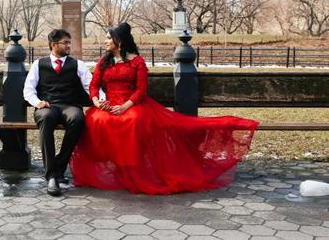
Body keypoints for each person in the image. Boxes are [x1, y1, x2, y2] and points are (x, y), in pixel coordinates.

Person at [69, 23, 259, 195]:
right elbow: (94, 86)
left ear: (119, 40)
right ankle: (116, 166)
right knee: (96, 120)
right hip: (109, 103)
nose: (105, 41)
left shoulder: (137, 62)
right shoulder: (104, 61)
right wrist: (96, 101)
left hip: (131, 104)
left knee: (132, 121)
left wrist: (125, 106)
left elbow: (141, 91)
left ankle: (132, 168)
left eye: (109, 37)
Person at [24, 29, 92, 196]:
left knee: (77, 118)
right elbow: (28, 90)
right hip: (47, 106)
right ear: (53, 45)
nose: (69, 45)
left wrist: (100, 100)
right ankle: (52, 176)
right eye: (65, 43)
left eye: (69, 42)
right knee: (46, 118)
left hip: (70, 105)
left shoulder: (78, 65)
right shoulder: (38, 64)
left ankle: (59, 165)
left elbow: (91, 87)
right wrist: (37, 102)